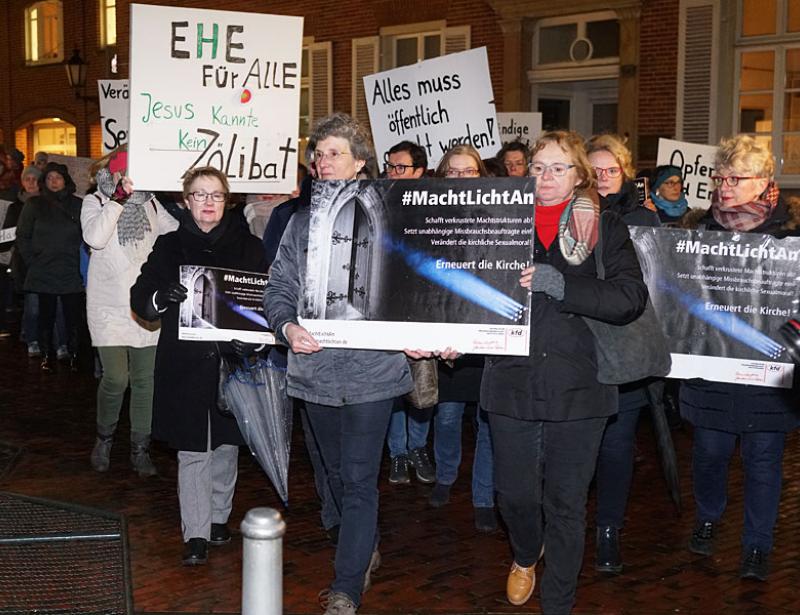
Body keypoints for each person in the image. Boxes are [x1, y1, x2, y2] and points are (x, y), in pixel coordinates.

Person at [265, 112, 432, 615]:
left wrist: (425, 335)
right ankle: (363, 543)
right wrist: (287, 327)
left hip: (373, 372)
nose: (323, 162)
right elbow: (278, 290)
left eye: (335, 152)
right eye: (318, 155)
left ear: (361, 162)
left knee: (358, 479)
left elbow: (418, 289)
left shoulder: (394, 219)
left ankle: (346, 588)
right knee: (335, 477)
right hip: (315, 374)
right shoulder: (298, 224)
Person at [482, 130, 647, 614]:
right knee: (513, 497)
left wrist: (564, 286)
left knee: (568, 505)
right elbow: (464, 288)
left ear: (579, 175)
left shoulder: (605, 228)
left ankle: (558, 604)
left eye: (558, 168)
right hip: (511, 380)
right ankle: (525, 552)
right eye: (537, 167)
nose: (546, 177)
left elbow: (629, 298)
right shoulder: (499, 222)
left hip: (581, 386)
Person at [130, 166, 266, 566]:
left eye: (216, 196)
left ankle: (219, 517)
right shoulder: (169, 246)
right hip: (185, 366)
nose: (208, 203)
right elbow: (141, 299)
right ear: (186, 201)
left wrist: (254, 339)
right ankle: (196, 533)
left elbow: (265, 305)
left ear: (228, 201)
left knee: (225, 447)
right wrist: (161, 295)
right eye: (200, 195)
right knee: (193, 451)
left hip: (232, 364)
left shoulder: (250, 248)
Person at [680, 135, 800, 582]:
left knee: (764, 460)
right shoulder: (699, 232)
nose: (725, 186)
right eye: (721, 177)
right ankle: (708, 517)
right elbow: (681, 295)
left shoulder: (792, 236)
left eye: (737, 178)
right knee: (710, 453)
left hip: (769, 373)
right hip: (712, 367)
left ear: (764, 181)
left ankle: (757, 546)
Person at [586, 134, 660, 574]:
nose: (603, 178)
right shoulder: (570, 215)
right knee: (578, 446)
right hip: (582, 350)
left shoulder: (642, 220)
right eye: (594, 170)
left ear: (624, 172)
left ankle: (608, 529)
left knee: (616, 446)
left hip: (626, 346)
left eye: (611, 170)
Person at [83, 147, 178, 477]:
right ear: (111, 173)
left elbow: (177, 232)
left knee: (144, 381)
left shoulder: (152, 202)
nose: (129, 179)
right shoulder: (95, 201)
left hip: (144, 306)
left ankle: (140, 447)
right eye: (123, 173)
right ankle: (104, 437)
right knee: (116, 377)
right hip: (108, 307)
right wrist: (118, 200)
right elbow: (94, 238)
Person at [426, 144, 497, 533]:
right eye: (452, 172)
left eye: (467, 172)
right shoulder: (426, 218)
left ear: (481, 177)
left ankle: (483, 497)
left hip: (484, 332)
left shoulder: (501, 219)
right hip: (445, 330)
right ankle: (445, 477)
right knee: (448, 414)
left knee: (487, 419)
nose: (459, 179)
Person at [382, 140, 435, 486]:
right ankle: (397, 453)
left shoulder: (434, 209)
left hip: (424, 310)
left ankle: (418, 447)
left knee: (422, 385)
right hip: (387, 309)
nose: (393, 172)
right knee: (391, 387)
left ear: (419, 172)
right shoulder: (380, 204)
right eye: (389, 166)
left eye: (401, 167)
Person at [15, 162, 84, 371]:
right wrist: (32, 261)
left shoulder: (78, 204)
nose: (54, 182)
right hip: (44, 270)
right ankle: (46, 354)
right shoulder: (34, 205)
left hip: (71, 270)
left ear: (65, 180)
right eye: (49, 178)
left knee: (72, 316)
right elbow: (23, 235)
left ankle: (72, 353)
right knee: (46, 316)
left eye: (58, 177)